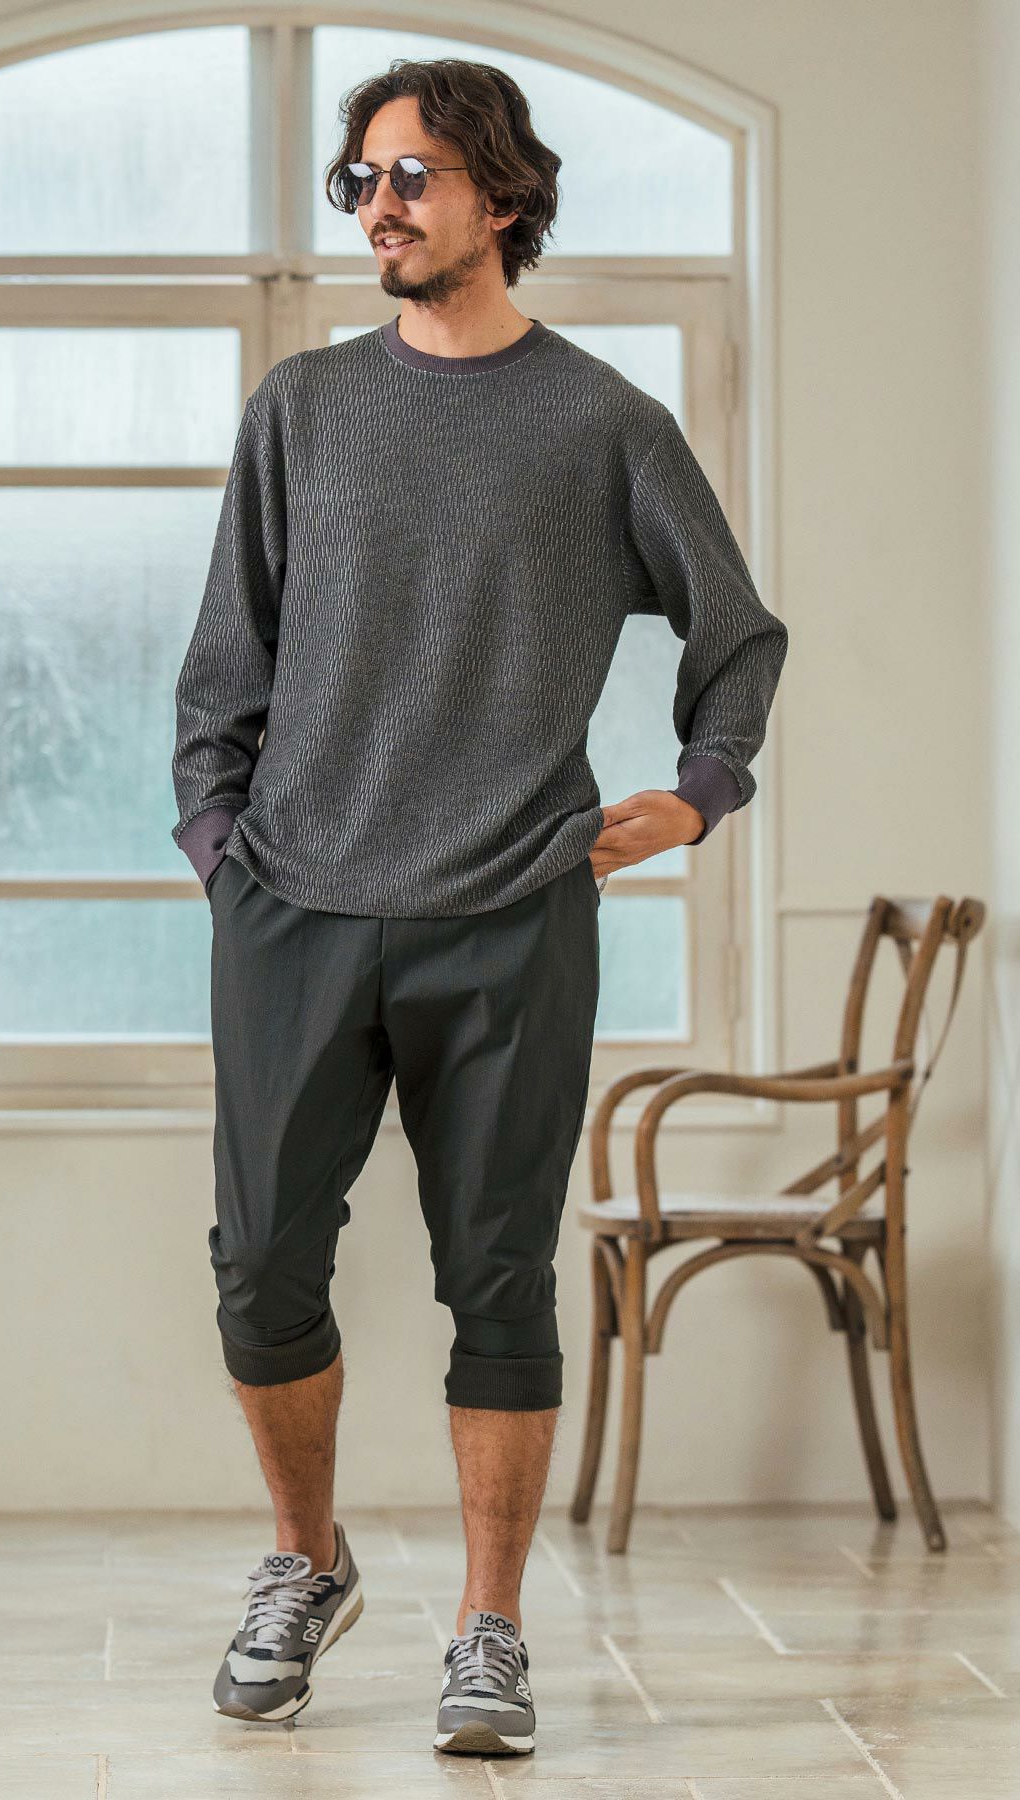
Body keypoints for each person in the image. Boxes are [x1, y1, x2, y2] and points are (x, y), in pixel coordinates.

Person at [170, 56, 788, 1760]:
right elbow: (224, 661)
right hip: (294, 904)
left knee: (500, 1276)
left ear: (503, 198)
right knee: (260, 1269)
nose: (378, 207)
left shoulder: (604, 424)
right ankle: (306, 1562)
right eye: (361, 180)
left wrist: (701, 789)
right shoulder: (301, 408)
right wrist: (222, 852)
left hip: (513, 909)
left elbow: (738, 632)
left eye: (412, 177)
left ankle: (489, 1628)